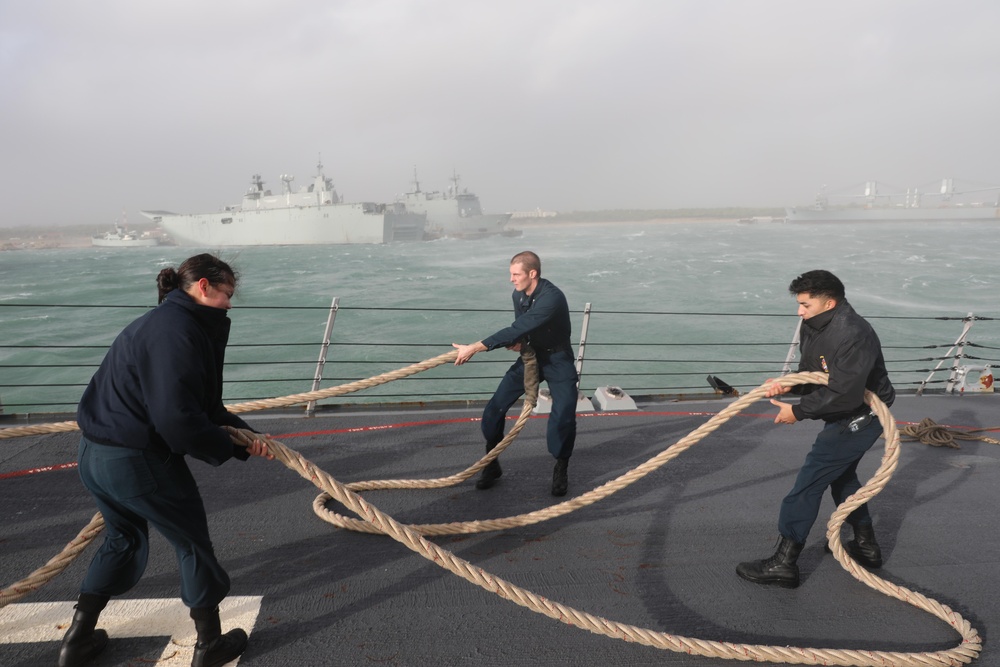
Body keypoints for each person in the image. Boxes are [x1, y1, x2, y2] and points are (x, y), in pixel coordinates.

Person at [59, 254, 272, 667]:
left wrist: (247, 437)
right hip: (137, 463)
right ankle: (209, 644)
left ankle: (77, 639)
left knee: (121, 539)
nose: (230, 304)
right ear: (204, 286)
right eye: (227, 294)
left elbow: (202, 407)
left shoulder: (160, 323)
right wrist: (229, 446)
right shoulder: (179, 332)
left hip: (94, 456)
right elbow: (177, 420)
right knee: (193, 546)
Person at [736, 269, 895, 589]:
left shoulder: (854, 334)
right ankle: (866, 547)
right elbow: (812, 370)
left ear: (829, 302)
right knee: (841, 478)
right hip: (841, 410)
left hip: (860, 414)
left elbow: (845, 392)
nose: (799, 311)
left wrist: (798, 411)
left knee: (808, 483)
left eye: (805, 304)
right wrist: (786, 386)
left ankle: (784, 563)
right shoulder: (813, 324)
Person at [453, 251, 579, 497]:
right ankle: (492, 463)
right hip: (531, 357)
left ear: (532, 274)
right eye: (510, 274)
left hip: (558, 359)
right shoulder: (518, 295)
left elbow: (521, 325)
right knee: (494, 409)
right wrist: (520, 342)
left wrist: (475, 347)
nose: (511, 279)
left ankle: (561, 466)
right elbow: (522, 329)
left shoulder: (552, 297)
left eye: (515, 274)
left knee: (563, 414)